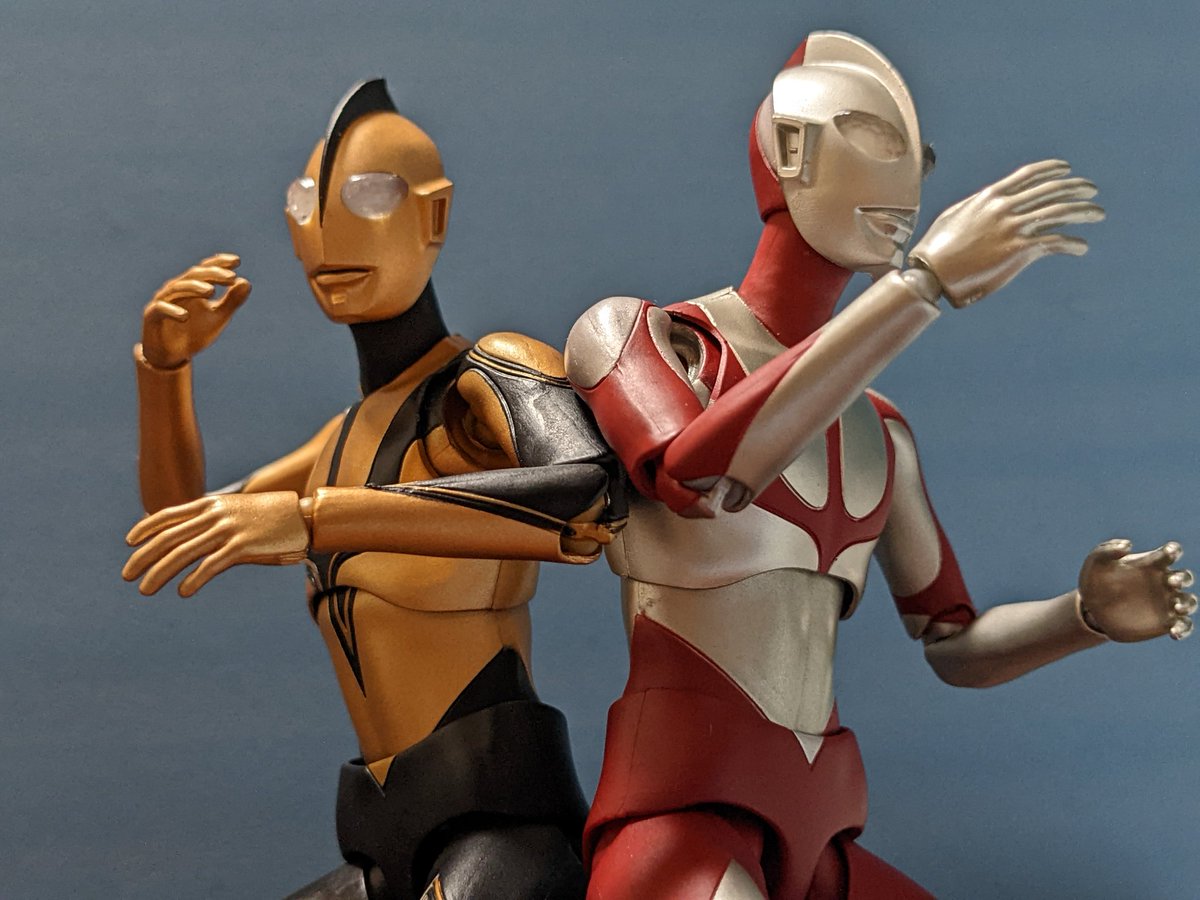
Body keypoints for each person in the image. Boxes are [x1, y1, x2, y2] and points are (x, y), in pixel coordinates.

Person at [564, 32, 1192, 899]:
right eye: (877, 136)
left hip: (818, 823)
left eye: (920, 156)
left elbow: (952, 641)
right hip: (681, 824)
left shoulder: (881, 435)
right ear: (789, 150)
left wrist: (1081, 616)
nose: (909, 181)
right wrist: (920, 288)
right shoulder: (650, 340)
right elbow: (696, 474)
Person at [123, 80, 624, 900]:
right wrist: (164, 373)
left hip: (499, 821)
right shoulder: (339, 444)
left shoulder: (480, 385)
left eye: (369, 196)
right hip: (382, 833)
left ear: (433, 215)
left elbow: (590, 493)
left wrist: (314, 519)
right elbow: (179, 525)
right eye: (306, 202)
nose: (330, 229)